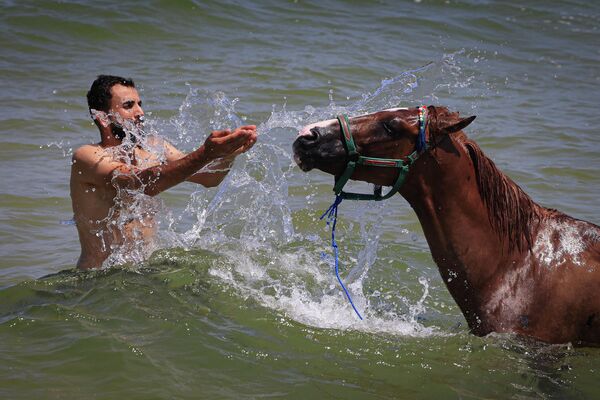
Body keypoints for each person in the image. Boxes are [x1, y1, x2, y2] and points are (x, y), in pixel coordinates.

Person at [70, 75, 257, 269]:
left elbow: (209, 177)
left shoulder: (153, 147)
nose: (140, 112)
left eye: (140, 104)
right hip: (99, 276)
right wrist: (206, 153)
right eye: (129, 106)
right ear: (102, 117)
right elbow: (141, 183)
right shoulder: (88, 156)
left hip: (144, 272)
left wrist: (228, 154)